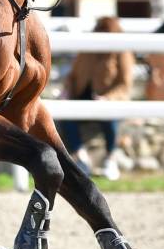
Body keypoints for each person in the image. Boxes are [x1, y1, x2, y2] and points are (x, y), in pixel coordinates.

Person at [57, 16, 134, 180]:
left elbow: (125, 85)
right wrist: (67, 91)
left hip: (108, 101)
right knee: (66, 117)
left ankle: (110, 159)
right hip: (81, 98)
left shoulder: (122, 52)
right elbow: (72, 76)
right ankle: (80, 157)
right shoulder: (87, 49)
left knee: (110, 118)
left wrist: (107, 98)